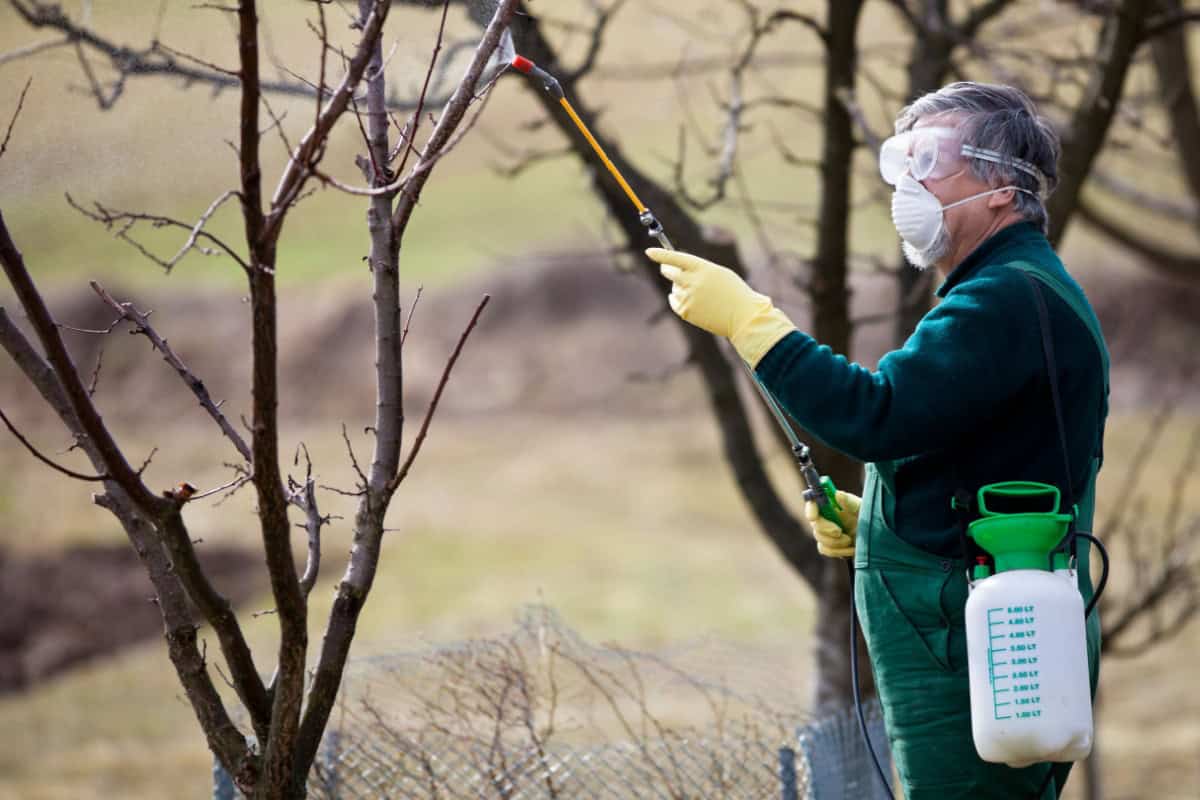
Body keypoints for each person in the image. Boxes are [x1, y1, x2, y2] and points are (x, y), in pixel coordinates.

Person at [648, 82, 1108, 799]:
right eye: (901, 162)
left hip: (978, 644)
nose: (908, 185)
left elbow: (878, 414)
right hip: (991, 629)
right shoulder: (1010, 289)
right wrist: (885, 521)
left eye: (928, 160)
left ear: (1000, 190)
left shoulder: (1004, 297)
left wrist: (752, 323)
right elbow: (985, 449)